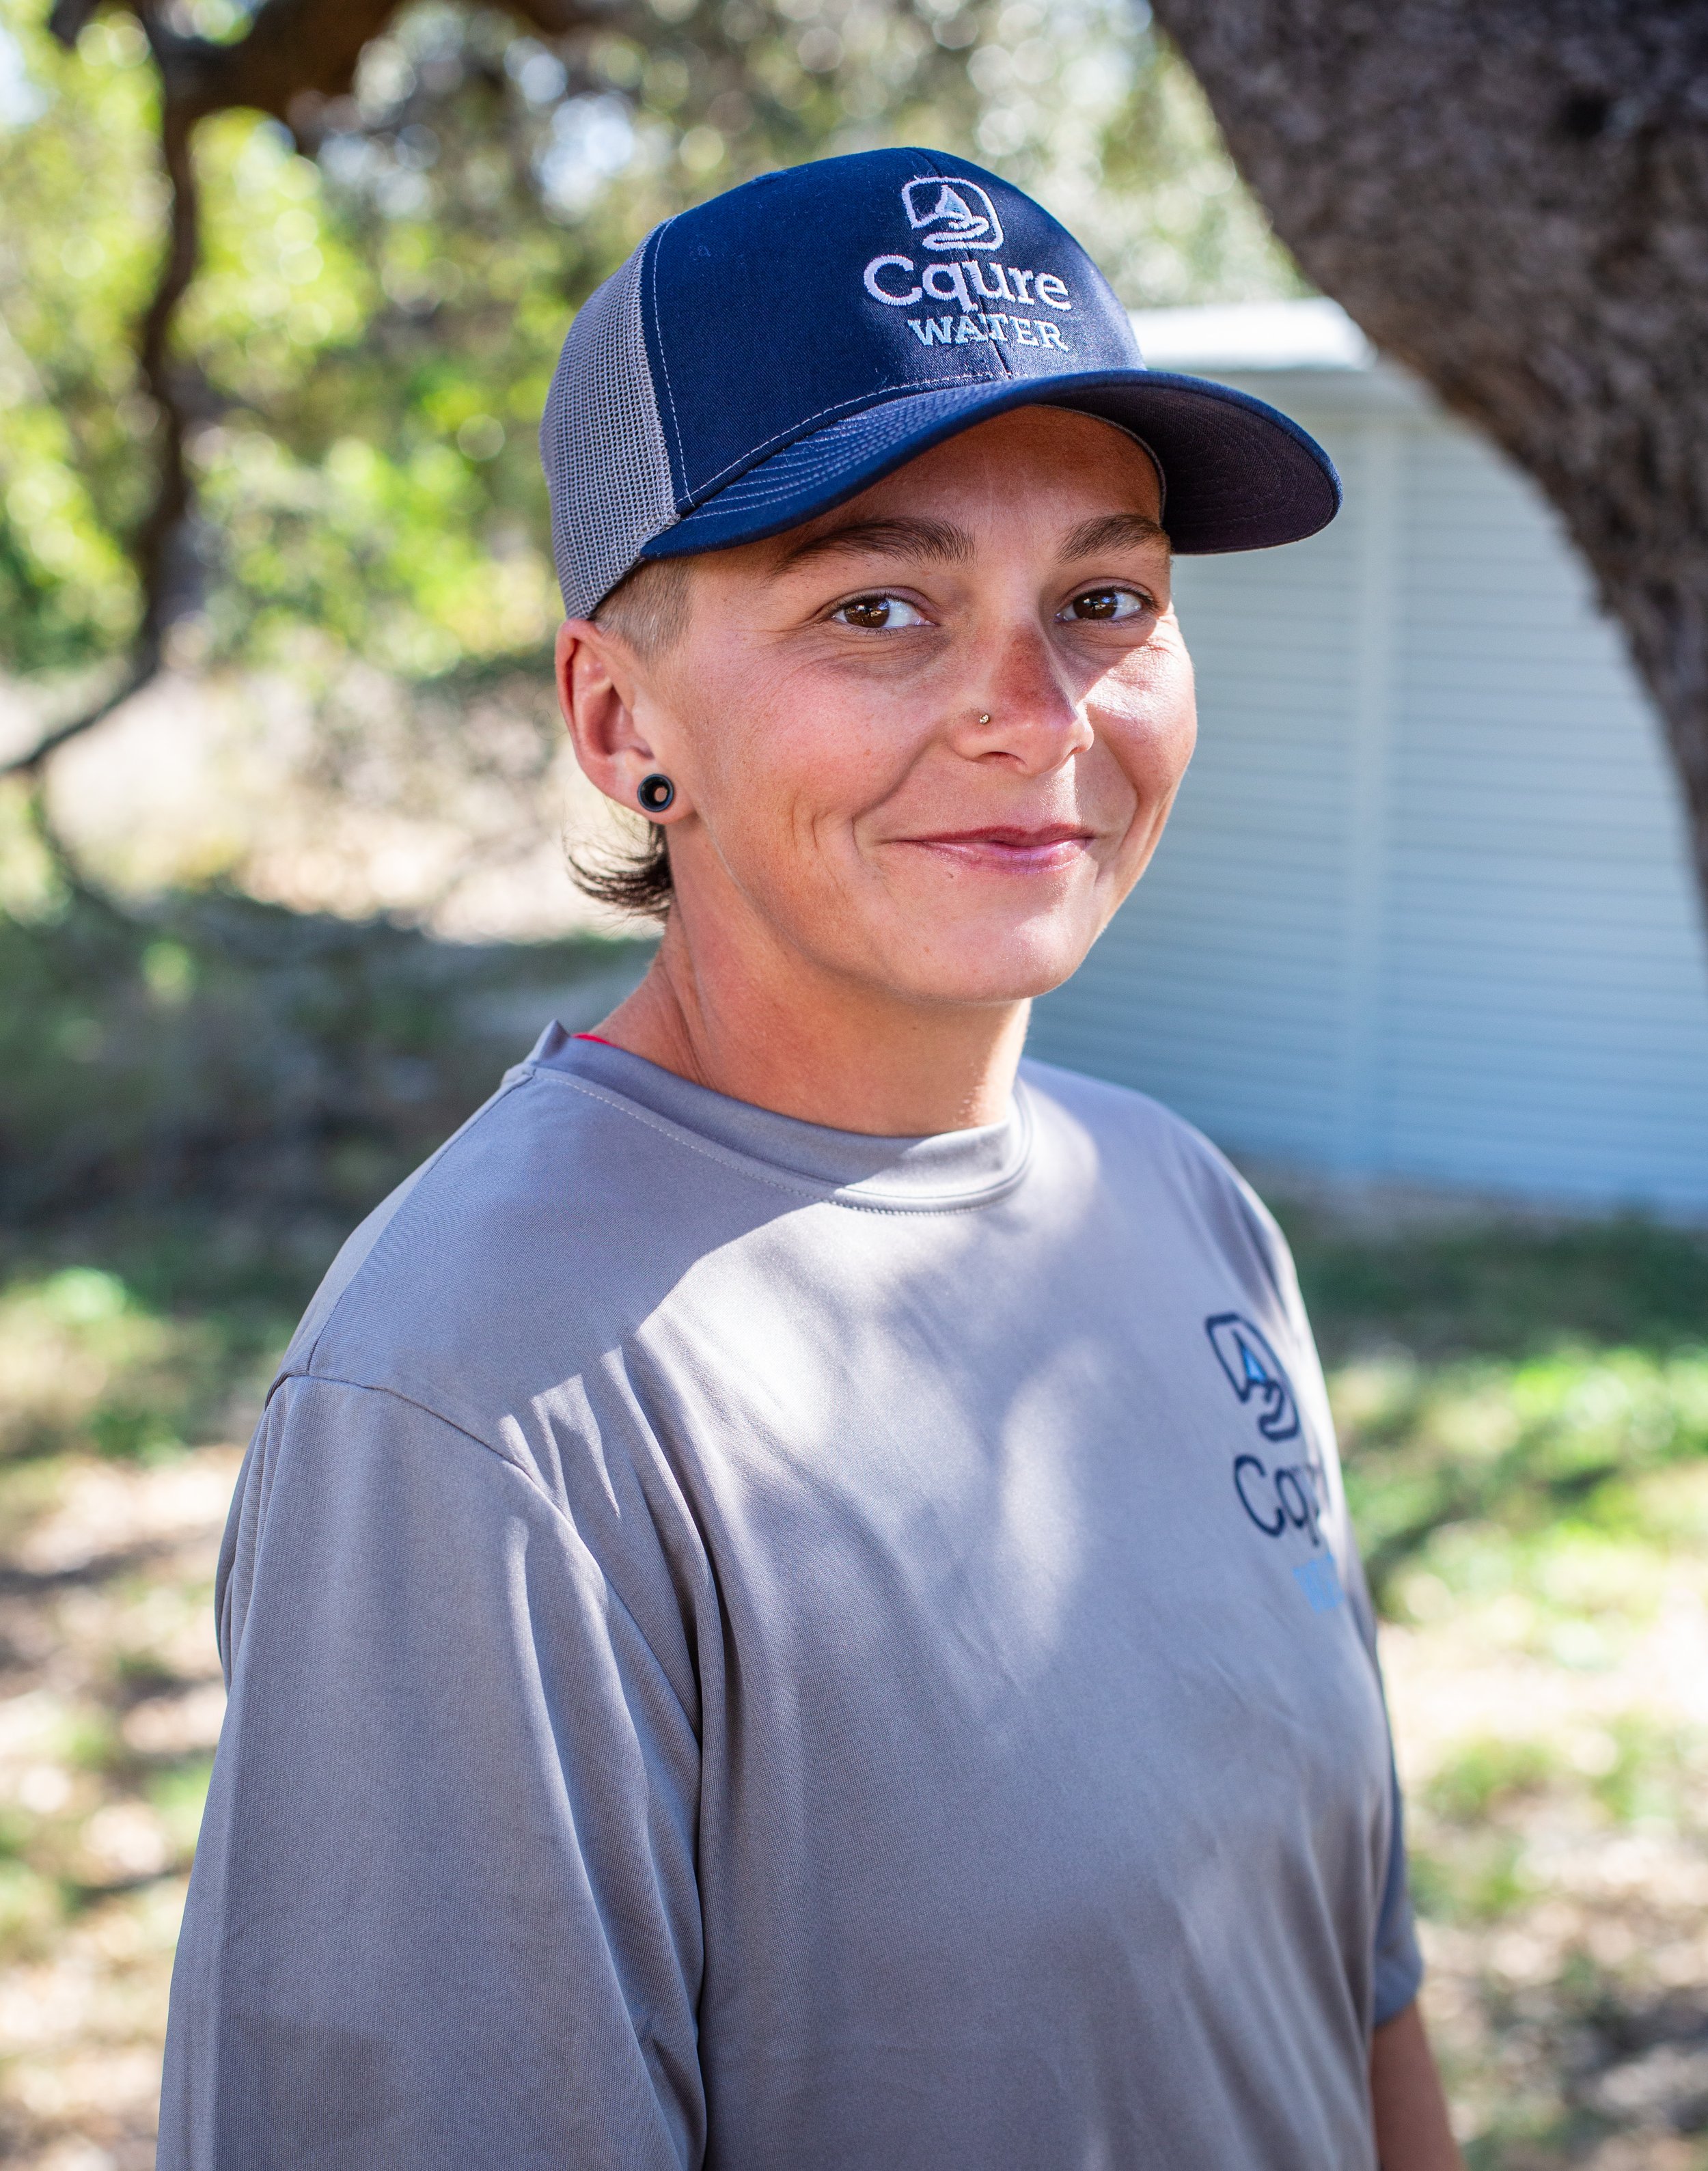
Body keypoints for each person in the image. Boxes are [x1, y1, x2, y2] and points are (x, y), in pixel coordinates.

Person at [159, 150, 1463, 2170]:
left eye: (1102, 600)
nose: (1032, 716)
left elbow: (1344, 1986)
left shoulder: (1184, 1208)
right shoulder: (478, 1396)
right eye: (879, 606)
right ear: (615, 720)